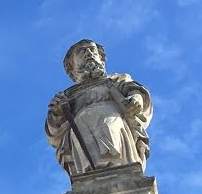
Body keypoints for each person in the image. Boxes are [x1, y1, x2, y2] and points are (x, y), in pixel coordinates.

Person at [44, 40, 152, 177]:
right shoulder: (68, 95)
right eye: (82, 52)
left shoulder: (115, 81)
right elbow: (54, 132)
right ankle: (92, 177)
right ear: (71, 66)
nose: (89, 53)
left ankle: (115, 167)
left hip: (111, 118)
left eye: (92, 50)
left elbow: (135, 91)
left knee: (108, 123)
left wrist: (136, 99)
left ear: (101, 58)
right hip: (81, 130)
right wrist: (57, 112)